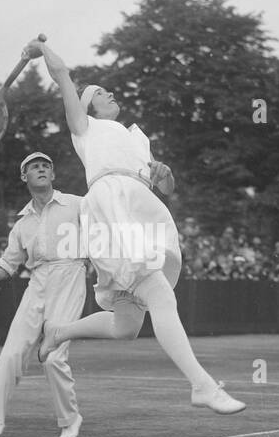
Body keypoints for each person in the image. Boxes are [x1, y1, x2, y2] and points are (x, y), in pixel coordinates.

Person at [27, 38, 244, 414]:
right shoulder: (85, 127)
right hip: (112, 205)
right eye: (101, 93)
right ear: (88, 105)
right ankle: (202, 385)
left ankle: (60, 332)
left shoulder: (137, 138)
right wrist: (41, 50)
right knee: (160, 294)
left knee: (126, 327)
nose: (110, 94)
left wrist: (165, 176)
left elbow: (165, 187)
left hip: (142, 205)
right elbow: (62, 73)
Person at [0, 151, 88, 437]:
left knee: (52, 357)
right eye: (33, 167)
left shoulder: (78, 204)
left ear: (53, 175)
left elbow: (105, 229)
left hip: (71, 275)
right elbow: (5, 268)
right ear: (24, 177)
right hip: (37, 282)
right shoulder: (22, 224)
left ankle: (70, 419)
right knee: (10, 355)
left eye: (45, 166)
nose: (40, 169)